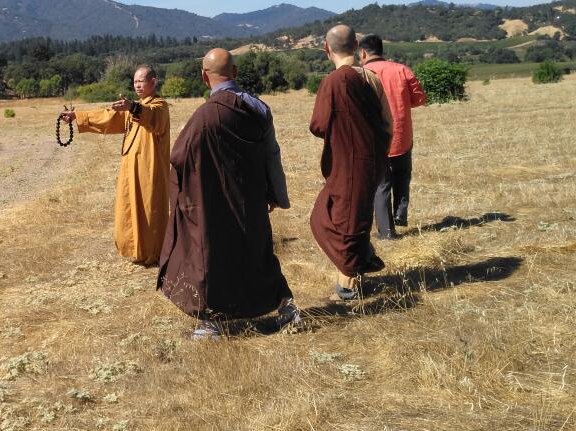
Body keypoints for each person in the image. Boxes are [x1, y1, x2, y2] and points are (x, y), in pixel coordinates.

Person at [157, 48, 300, 337]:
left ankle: (212, 322)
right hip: (252, 199)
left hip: (214, 201)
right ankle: (286, 307)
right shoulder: (258, 108)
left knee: (212, 258)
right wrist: (274, 194)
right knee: (258, 253)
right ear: (234, 73)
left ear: (203, 77)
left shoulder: (205, 115)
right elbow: (271, 153)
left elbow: (180, 155)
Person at [309, 26, 392, 301]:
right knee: (351, 218)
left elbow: (319, 126)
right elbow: (386, 121)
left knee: (336, 222)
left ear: (326, 48)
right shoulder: (371, 78)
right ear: (356, 45)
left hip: (347, 164)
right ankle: (362, 256)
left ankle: (348, 284)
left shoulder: (333, 82)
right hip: (372, 160)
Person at [60, 66, 170, 266]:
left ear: (153, 82)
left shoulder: (159, 106)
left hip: (149, 170)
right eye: (135, 81)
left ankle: (154, 253)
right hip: (130, 168)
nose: (137, 85)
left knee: (149, 209)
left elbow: (152, 118)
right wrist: (78, 117)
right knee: (129, 208)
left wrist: (133, 108)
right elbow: (108, 117)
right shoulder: (133, 108)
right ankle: (137, 251)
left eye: (141, 81)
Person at [358, 34, 427, 238]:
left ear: (362, 52)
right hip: (402, 136)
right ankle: (400, 213)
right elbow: (419, 99)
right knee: (403, 175)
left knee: (382, 185)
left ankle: (387, 232)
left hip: (376, 140)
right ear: (381, 50)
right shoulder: (402, 70)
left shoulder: (362, 74)